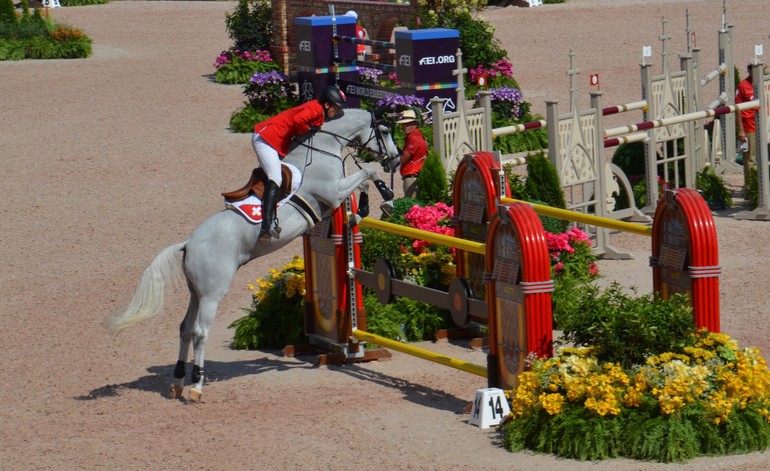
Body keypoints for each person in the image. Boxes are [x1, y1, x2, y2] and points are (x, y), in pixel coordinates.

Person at [252, 85, 346, 239]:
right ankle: (266, 225)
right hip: (266, 140)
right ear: (327, 104)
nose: (336, 112)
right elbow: (298, 120)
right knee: (275, 177)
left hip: (273, 141)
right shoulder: (316, 109)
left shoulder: (319, 111)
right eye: (336, 108)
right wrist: (306, 129)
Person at [396, 109, 428, 199]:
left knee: (411, 206)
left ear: (415, 124)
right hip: (414, 175)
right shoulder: (417, 136)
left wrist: (395, 150)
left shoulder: (413, 138)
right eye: (404, 124)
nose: (405, 126)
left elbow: (403, 159)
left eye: (408, 124)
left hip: (411, 176)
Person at [735, 63, 757, 188]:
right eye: (753, 69)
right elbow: (738, 109)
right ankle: (750, 189)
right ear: (749, 70)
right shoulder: (743, 86)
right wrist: (741, 130)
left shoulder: (763, 84)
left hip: (762, 126)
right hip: (749, 127)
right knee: (750, 159)